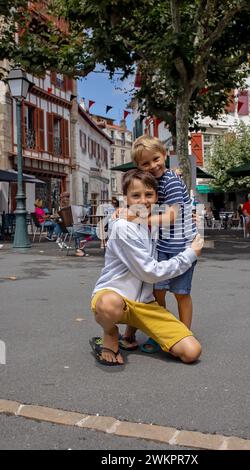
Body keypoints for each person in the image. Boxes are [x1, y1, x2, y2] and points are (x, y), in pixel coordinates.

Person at [90, 169, 203, 366]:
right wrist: (190, 254)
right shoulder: (123, 227)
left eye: (149, 194)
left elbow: (175, 215)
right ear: (125, 198)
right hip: (117, 298)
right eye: (136, 195)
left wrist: (189, 217)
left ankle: (135, 331)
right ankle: (110, 333)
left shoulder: (154, 223)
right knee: (108, 304)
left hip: (145, 304)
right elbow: (150, 273)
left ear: (157, 196)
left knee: (192, 352)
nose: (143, 200)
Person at [131, 136, 197, 353]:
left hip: (182, 246)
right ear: (139, 167)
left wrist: (141, 219)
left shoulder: (171, 181)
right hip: (162, 246)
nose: (153, 166)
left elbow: (171, 215)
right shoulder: (154, 182)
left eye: (156, 159)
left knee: (181, 292)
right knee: (158, 293)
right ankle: (161, 332)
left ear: (165, 155)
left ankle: (182, 334)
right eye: (145, 163)